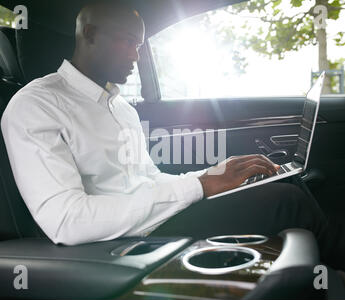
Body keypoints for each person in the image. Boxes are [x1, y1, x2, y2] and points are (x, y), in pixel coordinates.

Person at [1, 0, 344, 270]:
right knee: (287, 203)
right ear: (89, 34)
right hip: (123, 241)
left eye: (140, 45)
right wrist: (198, 187)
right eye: (129, 43)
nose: (137, 56)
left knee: (284, 184)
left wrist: (214, 175)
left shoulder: (120, 108)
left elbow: (149, 180)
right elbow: (67, 222)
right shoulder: (36, 105)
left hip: (154, 220)